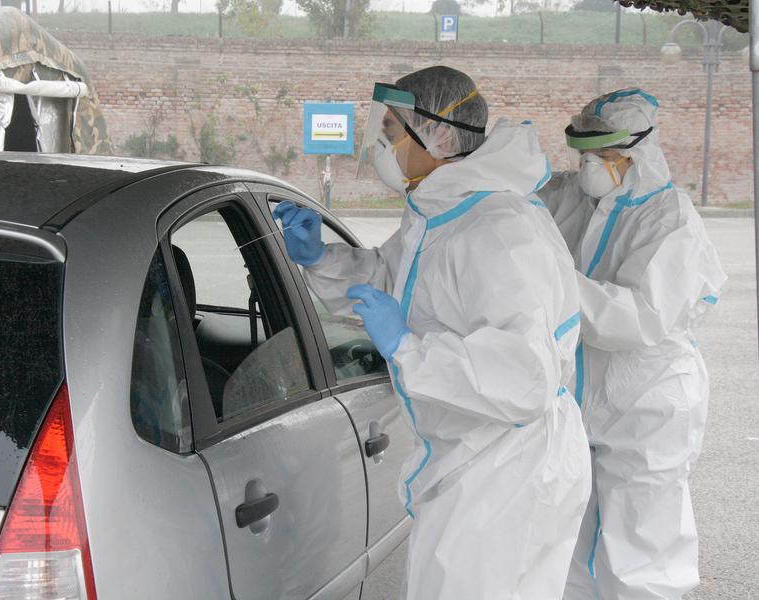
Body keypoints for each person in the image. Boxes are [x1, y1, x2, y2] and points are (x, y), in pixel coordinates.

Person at [274, 66, 590, 599]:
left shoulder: (500, 229)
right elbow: (391, 279)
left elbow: (524, 378)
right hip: (469, 458)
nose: (383, 146)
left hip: (507, 470)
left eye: (393, 132)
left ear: (439, 134)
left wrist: (408, 348)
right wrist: (321, 257)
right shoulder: (443, 212)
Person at [539, 89, 727, 600]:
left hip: (647, 401)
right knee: (571, 539)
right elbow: (517, 204)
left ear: (637, 153)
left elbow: (637, 318)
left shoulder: (670, 218)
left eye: (603, 156)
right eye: (583, 155)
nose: (589, 166)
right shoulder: (575, 198)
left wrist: (554, 279)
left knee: (643, 550)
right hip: (583, 397)